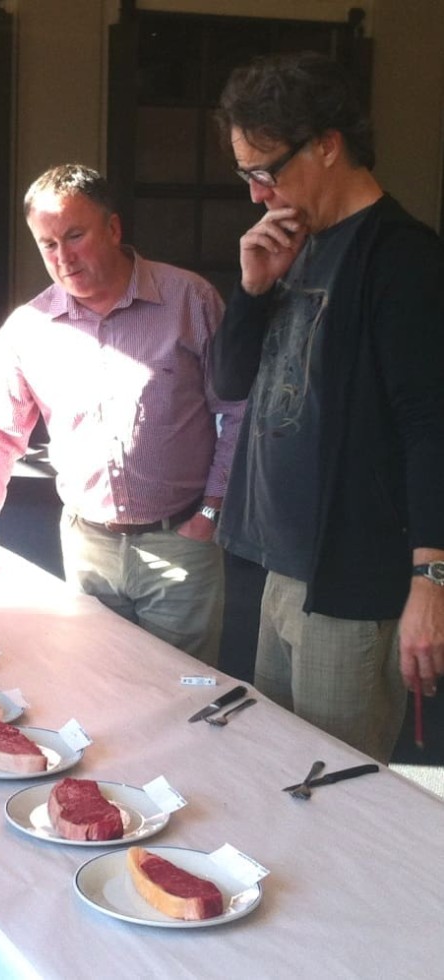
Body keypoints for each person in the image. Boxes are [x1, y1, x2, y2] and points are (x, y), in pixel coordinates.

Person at [211, 51, 444, 762]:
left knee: (335, 791)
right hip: (275, 566)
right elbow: (228, 380)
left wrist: (430, 581)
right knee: (277, 775)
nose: (257, 194)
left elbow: (430, 426)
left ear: (327, 145)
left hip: (349, 583)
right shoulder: (293, 241)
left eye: (266, 171)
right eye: (246, 174)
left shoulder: (403, 258)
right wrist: (251, 292)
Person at [0, 164, 245, 664]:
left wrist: (211, 512)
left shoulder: (188, 299)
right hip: (88, 543)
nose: (62, 257)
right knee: (97, 689)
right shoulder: (30, 327)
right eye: (47, 244)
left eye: (75, 235)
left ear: (113, 228)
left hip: (180, 542)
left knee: (181, 699)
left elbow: (237, 410)